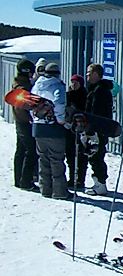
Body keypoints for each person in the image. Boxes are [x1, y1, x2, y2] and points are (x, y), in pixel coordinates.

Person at [31, 62, 70, 200]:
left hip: (38, 128)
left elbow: (31, 104)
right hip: (53, 128)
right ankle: (59, 192)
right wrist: (61, 120)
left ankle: (45, 189)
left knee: (43, 158)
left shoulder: (36, 85)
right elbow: (59, 103)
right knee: (56, 159)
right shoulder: (57, 85)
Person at [83, 64, 114, 196]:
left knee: (97, 156)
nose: (87, 75)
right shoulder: (94, 89)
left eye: (89, 72)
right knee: (93, 156)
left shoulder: (100, 91)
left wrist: (91, 129)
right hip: (95, 128)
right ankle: (98, 182)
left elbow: (96, 113)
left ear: (97, 74)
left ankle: (101, 183)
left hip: (98, 129)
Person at [10, 58, 38, 191]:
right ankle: (26, 181)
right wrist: (29, 118)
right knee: (31, 151)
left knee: (21, 150)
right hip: (24, 122)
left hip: (20, 122)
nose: (33, 75)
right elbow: (21, 107)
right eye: (31, 73)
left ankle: (19, 179)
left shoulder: (18, 84)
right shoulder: (22, 87)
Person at [65, 74, 87, 189]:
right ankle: (72, 178)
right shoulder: (67, 95)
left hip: (81, 129)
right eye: (72, 82)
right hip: (69, 129)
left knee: (81, 156)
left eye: (76, 83)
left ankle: (80, 180)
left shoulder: (85, 95)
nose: (74, 85)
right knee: (70, 155)